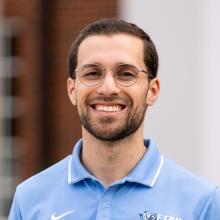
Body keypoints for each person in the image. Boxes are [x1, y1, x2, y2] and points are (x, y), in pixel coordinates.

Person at [9, 18, 220, 220]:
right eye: (92, 73)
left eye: (126, 74)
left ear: (152, 91)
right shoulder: (29, 199)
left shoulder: (201, 203)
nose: (108, 88)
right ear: (72, 90)